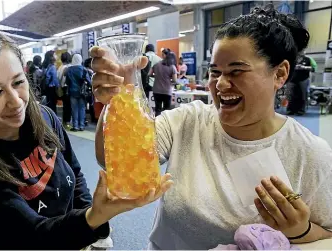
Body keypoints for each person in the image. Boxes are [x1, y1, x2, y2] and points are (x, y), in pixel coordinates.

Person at [91, 4, 332, 250]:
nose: (221, 84)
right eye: (214, 72)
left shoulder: (309, 153)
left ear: (280, 74)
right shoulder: (188, 120)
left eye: (236, 71)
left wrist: (302, 230)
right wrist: (118, 99)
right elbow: (113, 161)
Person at [0, 25, 173, 250]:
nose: (16, 101)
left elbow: (74, 172)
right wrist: (93, 218)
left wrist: (89, 218)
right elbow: (31, 237)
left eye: (18, 82)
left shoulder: (44, 118)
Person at [66, 54, 90, 131]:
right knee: (82, 108)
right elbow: (89, 82)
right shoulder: (84, 69)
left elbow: (67, 82)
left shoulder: (69, 69)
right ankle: (81, 126)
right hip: (82, 92)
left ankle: (75, 126)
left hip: (72, 92)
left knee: (74, 109)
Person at [149, 51, 177, 116]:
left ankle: (157, 123)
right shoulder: (172, 67)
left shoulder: (156, 64)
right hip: (167, 91)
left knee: (157, 109)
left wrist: (156, 76)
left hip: (156, 90)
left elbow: (149, 74)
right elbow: (175, 80)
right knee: (166, 110)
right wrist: (169, 79)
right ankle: (165, 124)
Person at [57, 52, 72, 129]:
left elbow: (58, 79)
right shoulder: (71, 67)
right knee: (69, 106)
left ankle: (65, 122)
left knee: (65, 106)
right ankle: (68, 121)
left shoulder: (60, 67)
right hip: (69, 88)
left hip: (63, 88)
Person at [83, 58, 96, 123]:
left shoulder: (85, 70)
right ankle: (93, 118)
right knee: (91, 104)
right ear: (89, 64)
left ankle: (89, 118)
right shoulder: (89, 72)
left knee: (88, 105)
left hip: (86, 91)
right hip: (89, 91)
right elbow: (90, 81)